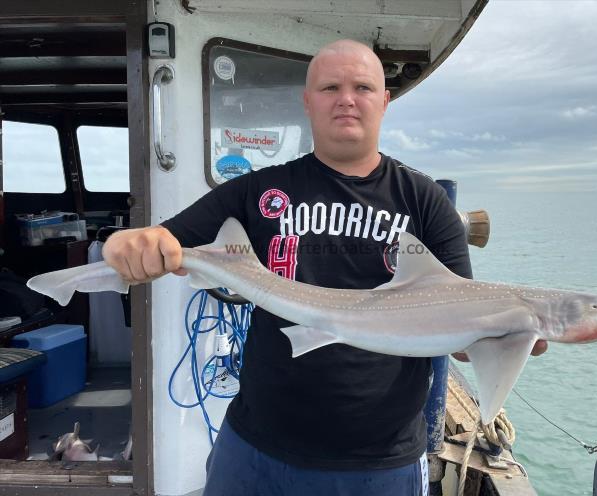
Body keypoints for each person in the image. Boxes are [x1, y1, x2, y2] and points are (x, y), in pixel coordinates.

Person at [103, 39, 545, 496]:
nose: (347, 99)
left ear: (384, 101)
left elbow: (463, 335)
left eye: (363, 87)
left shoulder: (424, 202)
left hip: (380, 460)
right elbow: (161, 238)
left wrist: (506, 336)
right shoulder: (260, 191)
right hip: (255, 446)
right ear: (307, 101)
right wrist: (128, 244)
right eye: (330, 87)